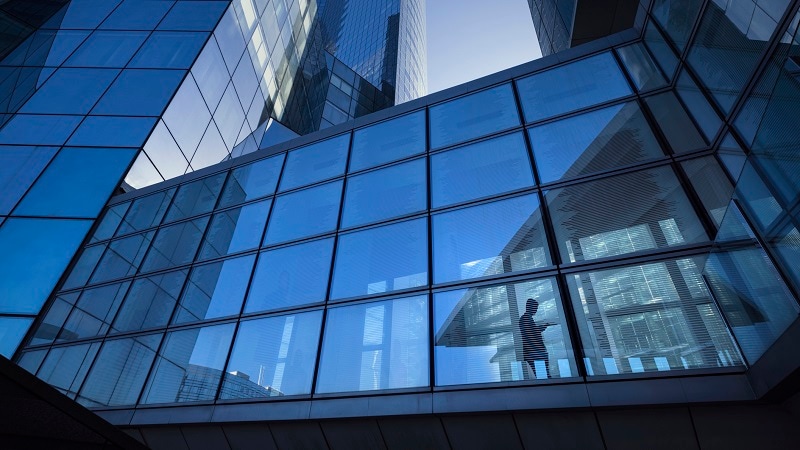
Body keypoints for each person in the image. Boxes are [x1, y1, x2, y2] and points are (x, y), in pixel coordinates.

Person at [518, 298, 554, 379]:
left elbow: (531, 332)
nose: (536, 310)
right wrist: (543, 326)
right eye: (535, 308)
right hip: (534, 352)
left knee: (543, 375)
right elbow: (532, 332)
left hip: (533, 352)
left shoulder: (526, 319)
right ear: (529, 307)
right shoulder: (525, 319)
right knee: (543, 376)